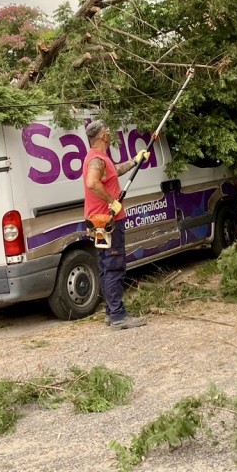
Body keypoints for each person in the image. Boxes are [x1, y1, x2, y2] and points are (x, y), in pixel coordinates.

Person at [84, 119, 150, 330]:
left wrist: (135, 160)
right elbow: (92, 183)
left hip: (100, 221)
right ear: (103, 136)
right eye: (108, 131)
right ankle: (118, 316)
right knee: (113, 266)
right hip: (107, 221)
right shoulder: (96, 160)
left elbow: (113, 173)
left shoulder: (100, 158)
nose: (110, 133)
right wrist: (111, 202)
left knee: (106, 267)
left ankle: (111, 311)